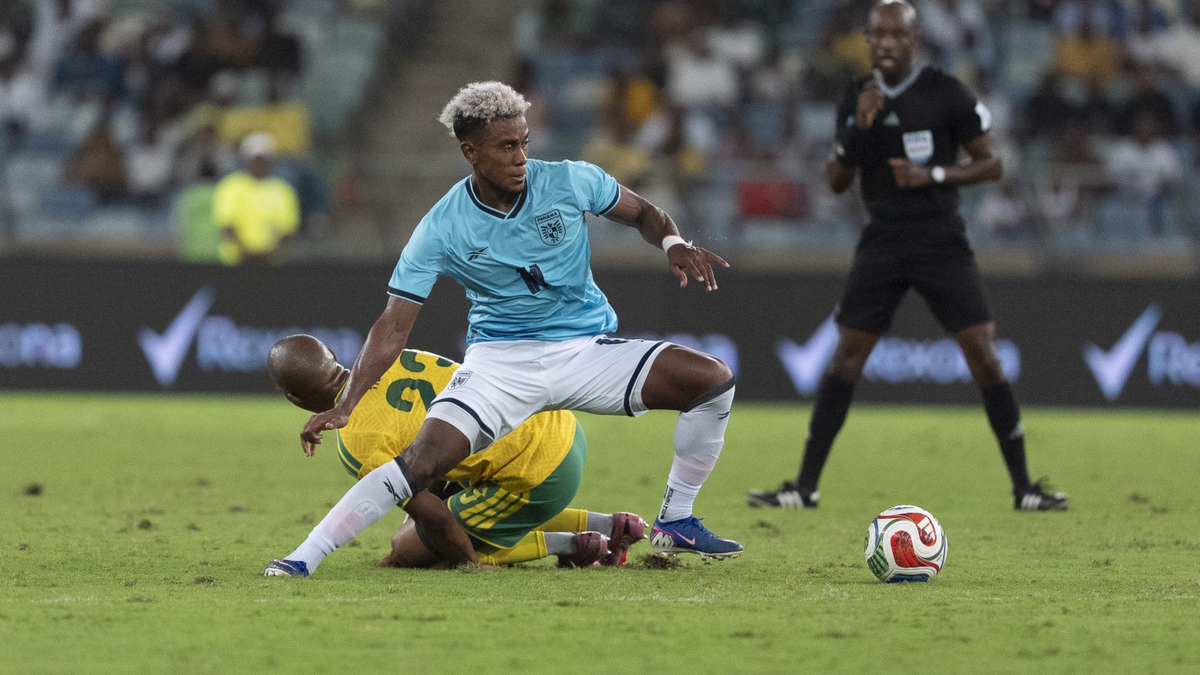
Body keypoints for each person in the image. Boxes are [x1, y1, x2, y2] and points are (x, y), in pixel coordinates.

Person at [295, 81, 742, 561]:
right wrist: (349, 404)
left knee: (711, 381)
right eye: (507, 146)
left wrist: (674, 243)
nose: (521, 157)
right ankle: (304, 557)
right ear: (471, 152)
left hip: (584, 349)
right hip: (501, 362)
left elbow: (645, 213)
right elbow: (393, 325)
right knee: (418, 467)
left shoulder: (570, 179)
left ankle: (675, 520)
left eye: (525, 143)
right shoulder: (442, 225)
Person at [747, 0, 1068, 512]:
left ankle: (1025, 488)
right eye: (880, 35)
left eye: (899, 35)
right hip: (883, 239)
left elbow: (993, 163)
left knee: (984, 354)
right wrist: (857, 131)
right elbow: (835, 182)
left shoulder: (945, 92)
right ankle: (803, 488)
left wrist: (935, 175)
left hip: (940, 237)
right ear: (869, 41)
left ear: (915, 41)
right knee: (846, 356)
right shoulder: (857, 97)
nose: (889, 43)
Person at [262, 335, 649, 575]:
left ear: (294, 398)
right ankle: (611, 526)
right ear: (332, 354)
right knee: (452, 494)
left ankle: (578, 545)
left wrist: (468, 564)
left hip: (539, 471)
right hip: (559, 426)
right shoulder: (396, 357)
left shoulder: (356, 440)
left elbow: (436, 517)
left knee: (407, 545)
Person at [212, 132, 299, 265]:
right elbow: (227, 225)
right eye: (255, 159)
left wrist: (269, 252)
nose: (259, 164)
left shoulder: (283, 190)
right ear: (246, 160)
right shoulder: (231, 186)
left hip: (271, 263)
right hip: (235, 263)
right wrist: (246, 252)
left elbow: (287, 229)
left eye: (263, 159)